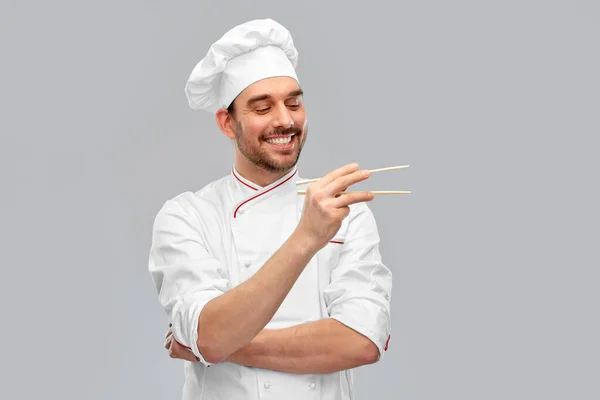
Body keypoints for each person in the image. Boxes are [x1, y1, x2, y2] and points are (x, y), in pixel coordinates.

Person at [148, 18, 393, 400]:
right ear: (228, 124)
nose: (285, 119)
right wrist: (306, 239)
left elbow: (361, 343)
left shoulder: (345, 210)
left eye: (294, 103)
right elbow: (211, 334)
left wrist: (221, 346)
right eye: (263, 108)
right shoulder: (187, 217)